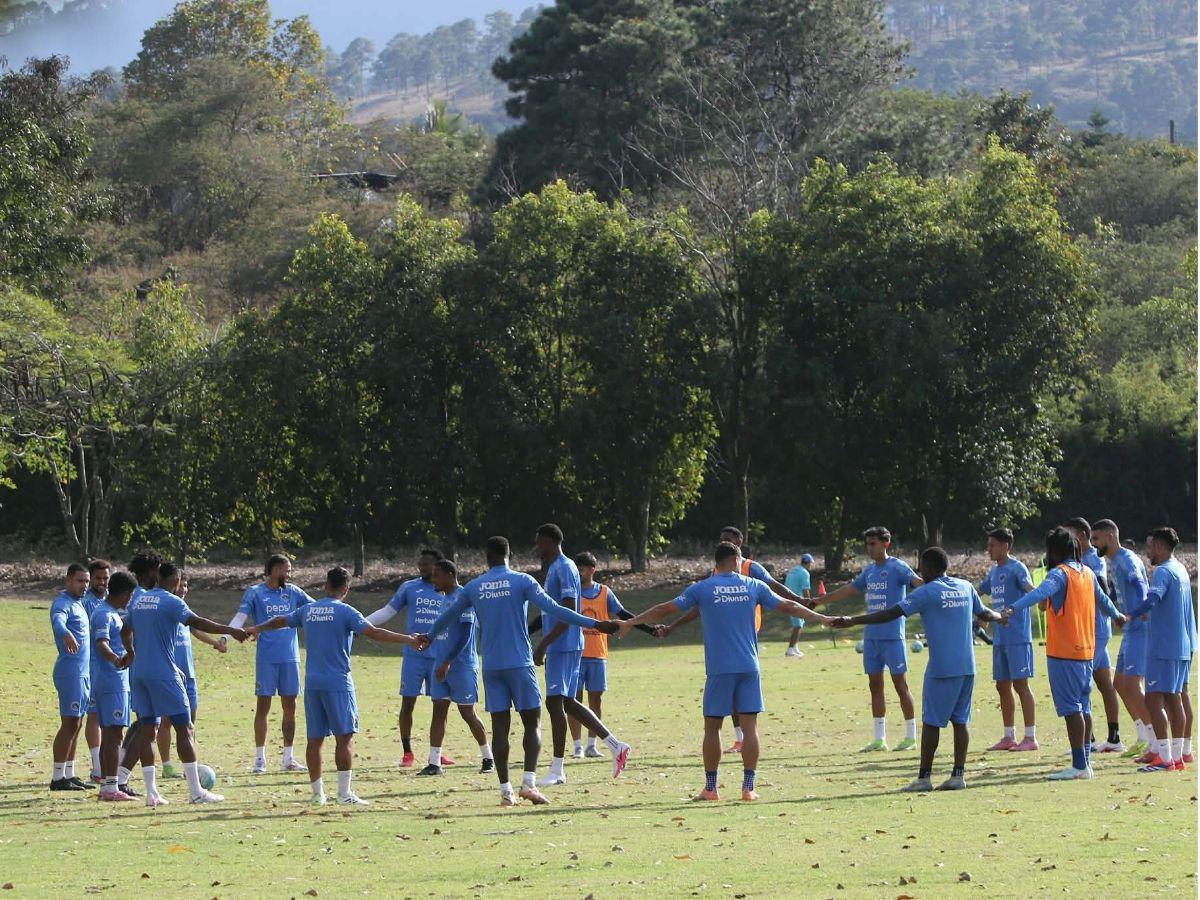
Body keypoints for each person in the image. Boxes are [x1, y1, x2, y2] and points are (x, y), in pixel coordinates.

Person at [616, 542, 832, 801]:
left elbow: (664, 608)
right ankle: (748, 788)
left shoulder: (703, 588)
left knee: (712, 728)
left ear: (716, 562)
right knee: (750, 728)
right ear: (737, 559)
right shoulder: (753, 586)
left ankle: (711, 788)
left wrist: (630, 621)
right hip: (749, 667)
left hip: (720, 670)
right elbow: (790, 606)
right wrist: (824, 619)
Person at [419, 536, 620, 807]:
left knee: (500, 728)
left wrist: (429, 636)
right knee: (532, 723)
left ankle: (505, 791)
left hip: (492, 666)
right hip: (520, 664)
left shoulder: (475, 586)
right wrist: (596, 622)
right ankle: (528, 784)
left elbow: (449, 615)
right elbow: (556, 609)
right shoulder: (522, 581)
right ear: (508, 554)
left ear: (487, 557)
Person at [832, 547, 1004, 791]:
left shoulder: (927, 592)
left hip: (941, 669)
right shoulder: (965, 587)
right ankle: (958, 775)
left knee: (932, 723)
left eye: (922, 566)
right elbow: (985, 612)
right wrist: (1002, 616)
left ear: (931, 567)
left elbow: (891, 613)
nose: (919, 571)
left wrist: (853, 620)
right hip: (968, 667)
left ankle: (924, 778)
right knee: (960, 722)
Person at [249, 566, 422, 805]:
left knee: (315, 739)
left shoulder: (308, 609)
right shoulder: (346, 611)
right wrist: (408, 640)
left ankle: (317, 794)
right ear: (346, 589)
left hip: (313, 683)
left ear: (325, 586)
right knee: (344, 737)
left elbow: (282, 620)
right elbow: (374, 633)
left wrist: (258, 627)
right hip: (338, 682)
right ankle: (344, 794)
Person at [662, 525, 811, 751]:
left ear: (740, 542)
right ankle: (740, 738)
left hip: (746, 636)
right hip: (724, 637)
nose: (723, 541)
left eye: (729, 538)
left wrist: (801, 602)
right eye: (721, 538)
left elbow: (775, 588)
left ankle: (743, 741)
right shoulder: (715, 574)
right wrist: (673, 626)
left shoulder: (752, 568)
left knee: (740, 693)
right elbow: (699, 608)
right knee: (730, 693)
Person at [999, 527, 1126, 780]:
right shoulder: (1087, 573)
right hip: (1087, 651)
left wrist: (1012, 609)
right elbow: (1104, 600)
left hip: (1064, 653)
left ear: (1055, 551)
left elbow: (1039, 593)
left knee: (1071, 709)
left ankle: (1079, 765)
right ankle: (1086, 763)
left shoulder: (1060, 574)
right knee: (1084, 706)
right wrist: (1118, 615)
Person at [125, 558, 249, 805]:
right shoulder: (172, 601)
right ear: (177, 581)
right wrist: (231, 630)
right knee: (185, 727)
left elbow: (124, 630)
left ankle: (152, 793)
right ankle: (196, 792)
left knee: (148, 729)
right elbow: (197, 622)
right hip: (164, 673)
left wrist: (132, 654)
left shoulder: (139, 600)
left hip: (139, 673)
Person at [531, 524, 633, 788]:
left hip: (563, 644)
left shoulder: (564, 568)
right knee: (566, 703)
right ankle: (615, 745)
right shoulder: (557, 568)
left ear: (551, 541)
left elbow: (568, 612)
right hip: (566, 644)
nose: (536, 547)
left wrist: (544, 644)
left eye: (539, 542)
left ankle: (557, 769)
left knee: (555, 703)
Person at [819, 526, 923, 752]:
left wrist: (934, 589)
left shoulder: (897, 567)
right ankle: (879, 739)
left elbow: (918, 583)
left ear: (886, 543)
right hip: (871, 638)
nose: (870, 548)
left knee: (901, 685)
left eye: (873, 543)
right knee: (875, 686)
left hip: (893, 637)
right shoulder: (869, 571)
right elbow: (850, 590)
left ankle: (911, 737)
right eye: (867, 544)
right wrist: (821, 600)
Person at [226, 554, 314, 774]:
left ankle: (288, 758)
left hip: (290, 658)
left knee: (290, 707)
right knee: (263, 707)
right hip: (266, 658)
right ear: (275, 570)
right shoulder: (255, 592)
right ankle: (260, 759)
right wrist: (226, 637)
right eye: (287, 570)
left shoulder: (293, 592)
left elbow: (316, 608)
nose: (289, 574)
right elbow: (240, 617)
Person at [568, 552, 662, 758]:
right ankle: (577, 747)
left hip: (598, 654)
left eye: (582, 568)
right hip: (575, 654)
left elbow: (624, 615)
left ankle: (592, 744)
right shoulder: (571, 593)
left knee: (596, 700)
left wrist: (649, 629)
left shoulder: (604, 592)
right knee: (574, 701)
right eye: (577, 569)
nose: (578, 572)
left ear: (592, 570)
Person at [364, 548, 450, 768]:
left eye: (427, 564)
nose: (422, 568)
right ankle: (407, 752)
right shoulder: (409, 587)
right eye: (420, 564)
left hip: (438, 655)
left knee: (440, 704)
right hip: (414, 656)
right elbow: (388, 611)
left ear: (438, 566)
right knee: (407, 703)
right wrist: (363, 624)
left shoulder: (447, 590)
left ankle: (436, 752)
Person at [1121, 527, 1193, 773]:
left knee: (1153, 700)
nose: (1147, 551)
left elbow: (1153, 599)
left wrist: (1132, 614)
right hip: (1181, 645)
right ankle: (1178, 756)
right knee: (1174, 699)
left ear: (1161, 547)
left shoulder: (1162, 571)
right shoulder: (1180, 569)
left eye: (1150, 546)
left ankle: (1164, 758)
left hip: (1162, 646)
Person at [419, 558, 494, 777]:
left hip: (460, 666)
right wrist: (430, 641)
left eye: (437, 575)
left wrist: (448, 660)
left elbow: (465, 634)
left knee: (467, 713)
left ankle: (488, 758)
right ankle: (434, 763)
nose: (434, 580)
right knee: (438, 710)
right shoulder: (444, 599)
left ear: (450, 576)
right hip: (440, 664)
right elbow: (441, 628)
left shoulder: (464, 598)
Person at [1090, 520, 1153, 757]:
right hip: (1129, 629)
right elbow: (1118, 590)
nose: (1094, 544)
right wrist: (1117, 611)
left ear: (1110, 536)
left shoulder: (1126, 560)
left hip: (1141, 629)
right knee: (1120, 684)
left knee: (1133, 685)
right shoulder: (1114, 561)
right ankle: (1143, 735)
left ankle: (1156, 740)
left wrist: (1142, 608)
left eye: (1096, 539)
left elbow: (1138, 584)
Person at [157, 567, 226, 778]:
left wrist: (215, 642)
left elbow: (195, 629)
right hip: (170, 673)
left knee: (189, 722)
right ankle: (167, 765)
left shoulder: (184, 609)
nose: (184, 589)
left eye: (186, 585)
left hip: (189, 674)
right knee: (167, 721)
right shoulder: (164, 608)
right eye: (181, 584)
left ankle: (190, 765)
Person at [1065, 517, 1124, 752]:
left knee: (1082, 682)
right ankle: (1114, 738)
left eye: (1069, 535)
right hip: (1094, 630)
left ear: (1080, 535)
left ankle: (1086, 741)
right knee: (1104, 682)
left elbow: (1098, 590)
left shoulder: (1092, 560)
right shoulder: (1079, 559)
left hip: (1095, 630)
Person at [977, 528, 1038, 752]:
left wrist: (1038, 595)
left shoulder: (1017, 568)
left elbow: (1031, 591)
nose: (988, 549)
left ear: (1005, 546)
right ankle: (1008, 737)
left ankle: (1030, 737)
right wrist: (979, 614)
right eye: (988, 545)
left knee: (1021, 685)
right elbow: (978, 593)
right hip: (999, 639)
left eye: (992, 545)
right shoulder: (993, 573)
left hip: (1018, 637)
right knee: (1002, 686)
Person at [90, 571, 136, 801]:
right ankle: (110, 787)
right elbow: (101, 644)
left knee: (112, 733)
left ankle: (108, 785)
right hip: (111, 682)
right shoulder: (104, 615)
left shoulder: (112, 613)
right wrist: (117, 660)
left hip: (115, 681)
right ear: (126, 593)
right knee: (114, 734)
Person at [49, 563, 94, 791]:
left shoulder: (80, 604)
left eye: (87, 581)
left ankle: (69, 773)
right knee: (69, 723)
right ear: (68, 580)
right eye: (80, 581)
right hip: (70, 673)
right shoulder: (63, 603)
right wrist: (65, 632)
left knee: (77, 723)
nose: (84, 585)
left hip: (83, 673)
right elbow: (58, 620)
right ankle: (57, 778)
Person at [82, 558, 112, 784]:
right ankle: (97, 766)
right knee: (94, 714)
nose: (102, 582)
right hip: (92, 665)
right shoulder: (85, 602)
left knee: (110, 716)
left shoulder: (115, 600)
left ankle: (110, 762)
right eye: (98, 578)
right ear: (91, 578)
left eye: (105, 578)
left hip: (113, 667)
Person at [784, 554, 815, 658]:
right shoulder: (804, 573)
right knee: (797, 625)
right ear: (808, 563)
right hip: (798, 601)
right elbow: (805, 590)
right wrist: (809, 604)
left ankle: (795, 647)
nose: (811, 565)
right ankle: (790, 649)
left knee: (799, 624)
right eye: (811, 563)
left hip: (788, 599)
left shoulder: (793, 570)